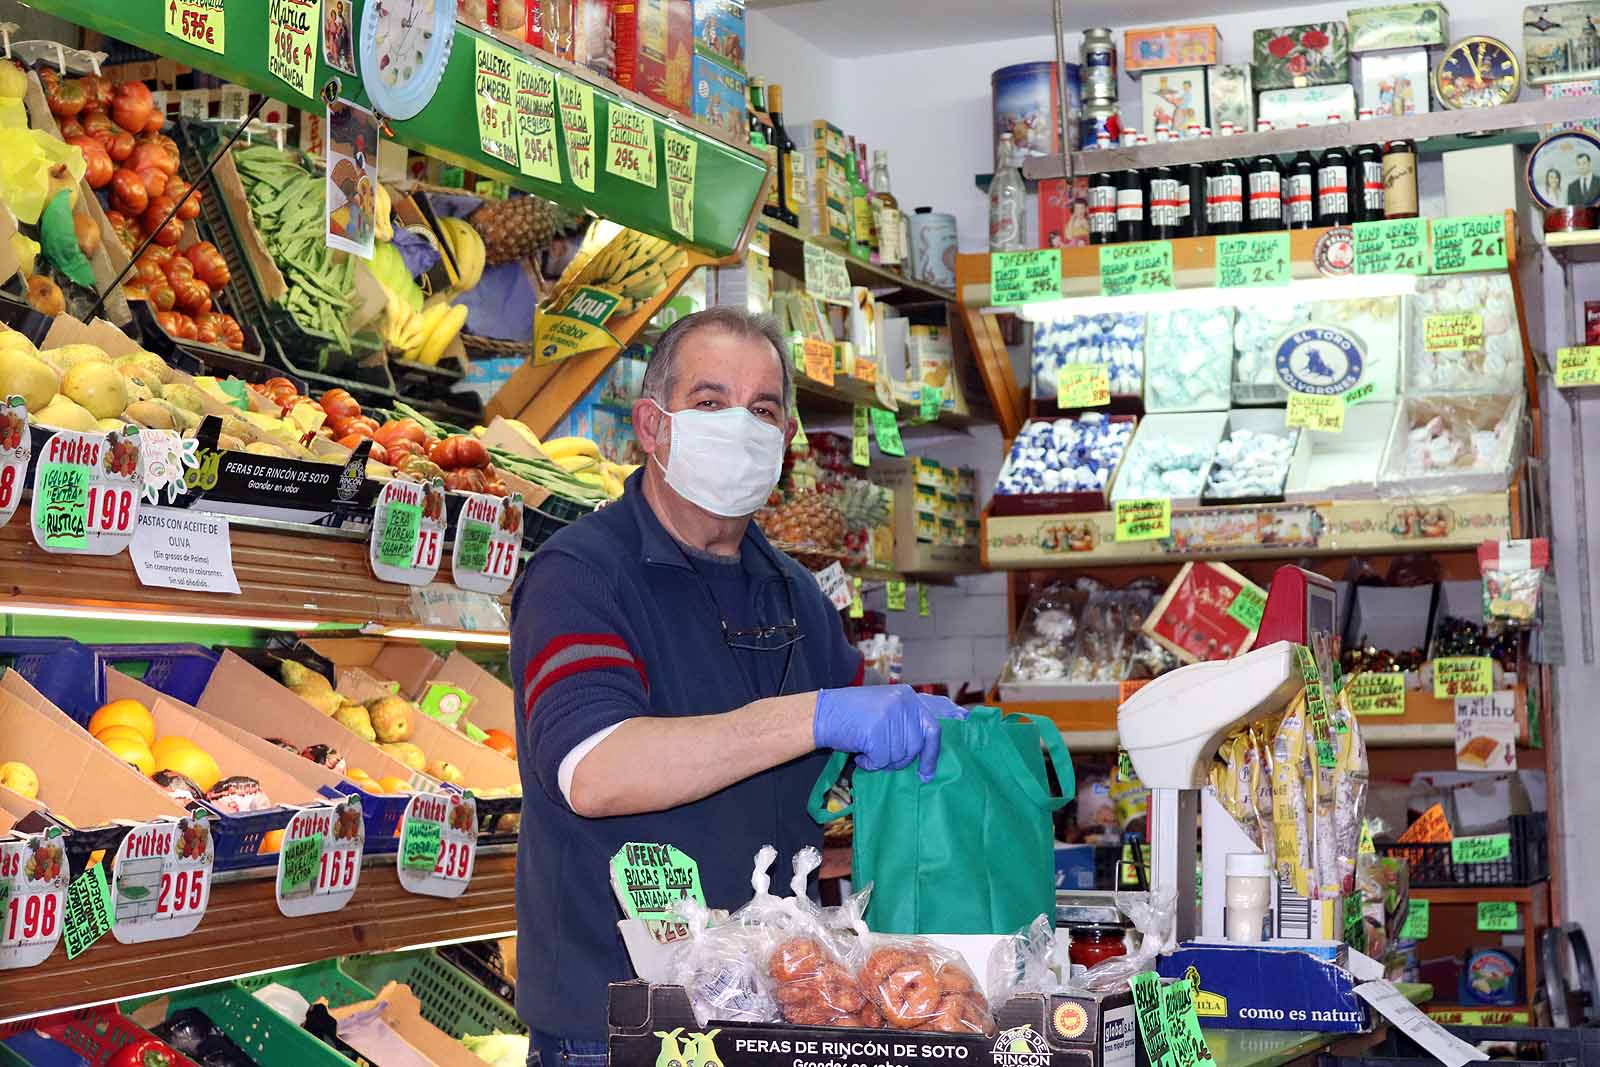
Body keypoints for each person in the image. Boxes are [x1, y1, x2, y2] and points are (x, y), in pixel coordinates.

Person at [509, 307, 967, 1067]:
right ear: (652, 427)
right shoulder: (582, 574)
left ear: (785, 440)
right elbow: (595, 770)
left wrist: (934, 746)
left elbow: (854, 763)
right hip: (618, 1028)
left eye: (762, 410)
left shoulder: (794, 595)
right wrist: (816, 715)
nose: (741, 426)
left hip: (777, 1016)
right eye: (711, 403)